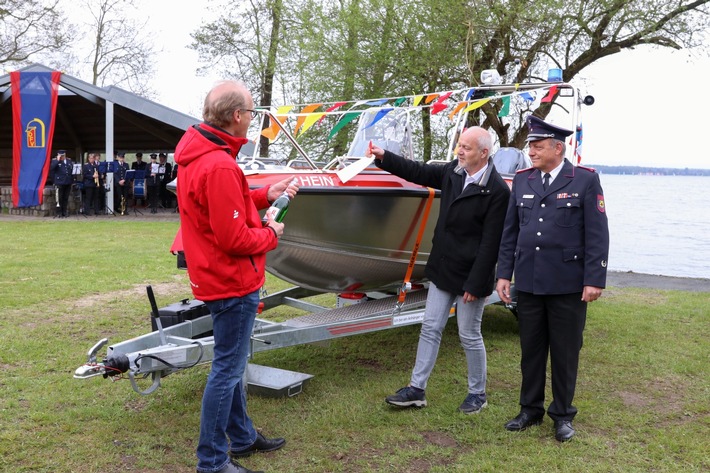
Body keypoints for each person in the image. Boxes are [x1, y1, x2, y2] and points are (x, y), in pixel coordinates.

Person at [175, 80, 298, 473]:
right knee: (227, 369)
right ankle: (211, 461)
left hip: (215, 276)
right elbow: (234, 237)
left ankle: (242, 438)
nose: (251, 118)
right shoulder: (219, 163)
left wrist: (265, 193)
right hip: (231, 280)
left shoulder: (201, 155)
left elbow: (225, 203)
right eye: (250, 112)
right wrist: (271, 234)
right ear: (236, 117)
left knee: (231, 363)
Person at [368, 126, 510, 414]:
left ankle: (477, 394)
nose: (459, 151)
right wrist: (384, 157)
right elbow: (418, 172)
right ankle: (416, 390)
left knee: (469, 335)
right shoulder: (453, 172)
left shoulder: (497, 191)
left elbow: (490, 244)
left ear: (484, 153)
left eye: (466, 148)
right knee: (430, 328)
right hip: (443, 268)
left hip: (472, 275)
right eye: (459, 145)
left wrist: (475, 283)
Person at [495, 115, 609, 442]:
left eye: (538, 146)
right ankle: (530, 409)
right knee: (531, 350)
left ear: (558, 149)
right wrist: (504, 274)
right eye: (530, 146)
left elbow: (598, 235)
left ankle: (562, 414)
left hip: (567, 284)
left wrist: (594, 278)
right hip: (529, 282)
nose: (531, 151)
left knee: (564, 351)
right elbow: (510, 232)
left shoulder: (584, 180)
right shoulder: (523, 179)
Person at [49, 150, 74, 218]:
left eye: (63, 155)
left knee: (65, 198)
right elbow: (52, 168)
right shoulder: (55, 161)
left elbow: (71, 171)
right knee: (59, 198)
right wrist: (57, 160)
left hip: (67, 182)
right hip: (59, 182)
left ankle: (64, 212)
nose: (62, 157)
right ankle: (59, 212)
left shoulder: (69, 161)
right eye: (60, 155)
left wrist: (72, 180)